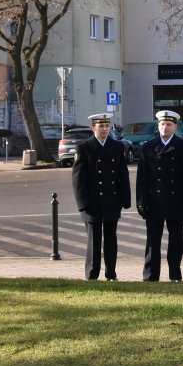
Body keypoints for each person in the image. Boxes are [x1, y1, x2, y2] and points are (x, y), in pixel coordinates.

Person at [71, 113, 131, 281]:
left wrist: (125, 200)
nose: (104, 129)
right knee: (94, 241)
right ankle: (92, 274)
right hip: (92, 202)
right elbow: (78, 179)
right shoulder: (84, 147)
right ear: (93, 128)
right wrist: (83, 204)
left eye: (107, 126)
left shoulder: (117, 146)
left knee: (111, 240)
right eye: (101, 126)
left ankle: (111, 273)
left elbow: (122, 175)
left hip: (112, 200)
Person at [136, 110, 183, 282]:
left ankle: (175, 274)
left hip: (176, 201)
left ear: (175, 126)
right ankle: (151, 275)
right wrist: (141, 201)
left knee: (176, 242)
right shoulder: (148, 147)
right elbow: (142, 178)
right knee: (153, 241)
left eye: (169, 124)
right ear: (158, 126)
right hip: (154, 201)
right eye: (162, 124)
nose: (165, 127)